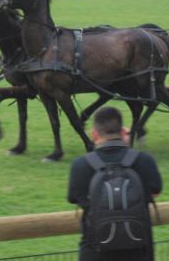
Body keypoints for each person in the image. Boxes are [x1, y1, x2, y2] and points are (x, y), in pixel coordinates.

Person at [67, 107, 162, 261]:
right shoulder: (144, 160)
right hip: (139, 250)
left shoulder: (80, 165)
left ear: (94, 134)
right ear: (123, 132)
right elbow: (155, 191)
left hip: (94, 251)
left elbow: (74, 198)